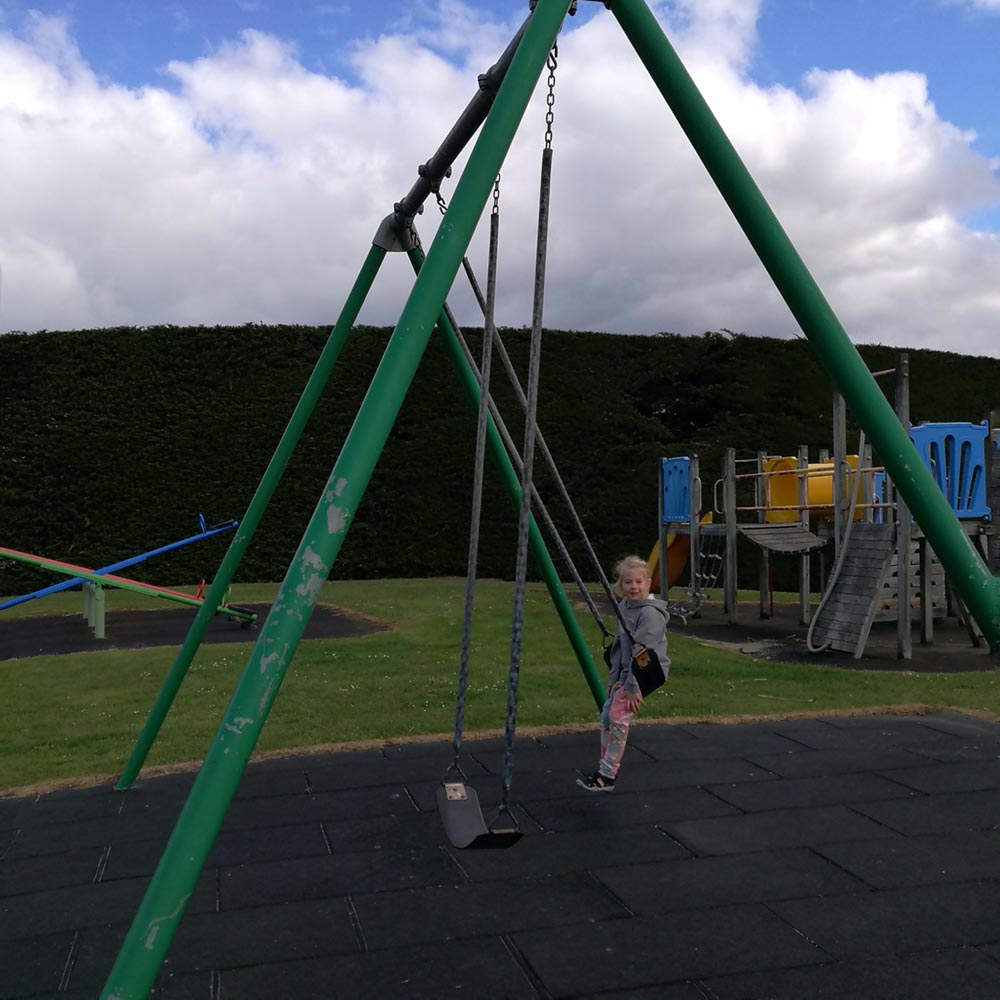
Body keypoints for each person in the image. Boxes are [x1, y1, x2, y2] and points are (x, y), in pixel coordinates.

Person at [577, 555, 669, 792]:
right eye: (628, 582)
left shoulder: (650, 615)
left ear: (649, 583)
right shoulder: (625, 606)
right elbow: (620, 647)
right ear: (620, 584)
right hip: (628, 671)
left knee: (618, 717)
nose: (634, 587)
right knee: (607, 716)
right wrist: (614, 680)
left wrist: (632, 687)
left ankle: (607, 775)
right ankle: (603, 768)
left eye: (639, 581)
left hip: (648, 671)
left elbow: (643, 655)